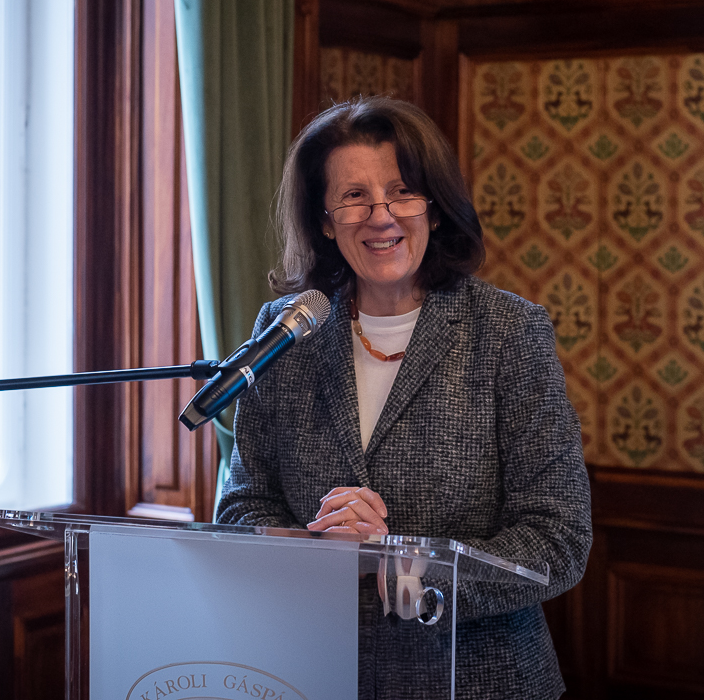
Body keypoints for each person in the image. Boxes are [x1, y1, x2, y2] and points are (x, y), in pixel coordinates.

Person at [216, 96, 591, 700]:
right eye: (354, 196)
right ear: (324, 221)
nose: (381, 216)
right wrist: (317, 549)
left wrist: (407, 566)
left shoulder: (508, 331)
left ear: (434, 209)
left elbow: (559, 537)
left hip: (478, 679)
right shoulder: (285, 331)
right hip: (313, 672)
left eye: (402, 192)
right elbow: (241, 507)